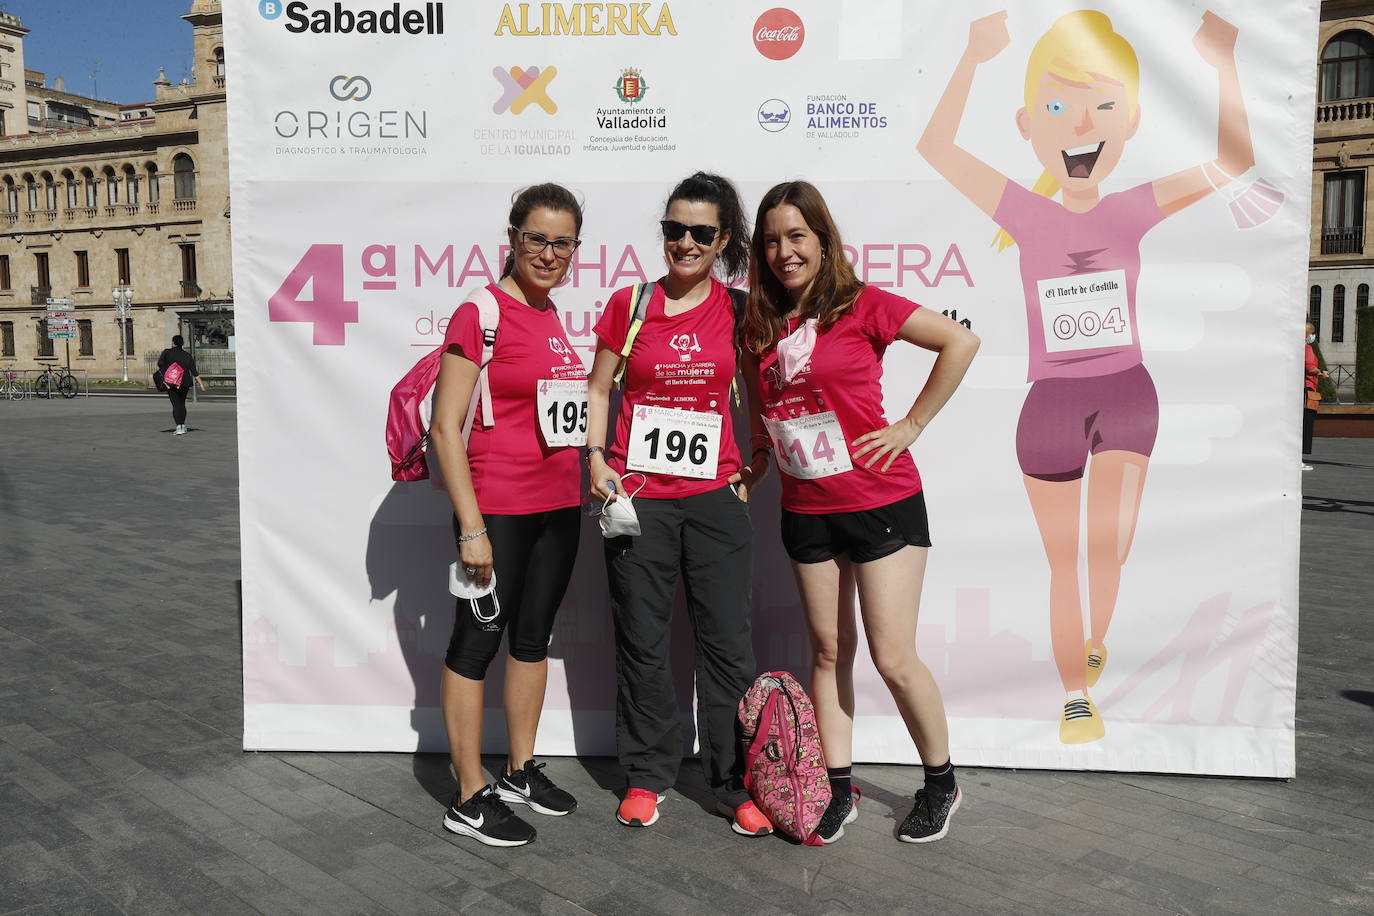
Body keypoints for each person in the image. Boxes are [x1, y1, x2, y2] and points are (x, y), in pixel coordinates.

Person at [918, 9, 1253, 743]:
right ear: (1028, 122)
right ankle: (1076, 692)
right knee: (1061, 559)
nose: (1079, 126)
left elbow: (1231, 162)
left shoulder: (1134, 208)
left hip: (1126, 395)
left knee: (1111, 546)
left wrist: (1221, 64)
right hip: (1050, 408)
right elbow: (935, 146)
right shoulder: (1025, 212)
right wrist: (973, 57)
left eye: (1102, 107)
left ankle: (1096, 634)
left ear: (1129, 121)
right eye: (1059, 108)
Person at [738, 180, 979, 844]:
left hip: (881, 502)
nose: (785, 251)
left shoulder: (863, 304)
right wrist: (758, 453)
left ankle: (941, 784)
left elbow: (961, 342)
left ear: (822, 239)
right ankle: (836, 789)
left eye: (797, 236)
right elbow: (763, 406)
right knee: (827, 650)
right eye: (772, 240)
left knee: (893, 656)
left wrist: (912, 424)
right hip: (805, 508)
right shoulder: (760, 321)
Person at [584, 172, 773, 836]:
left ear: (722, 238)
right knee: (643, 642)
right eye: (673, 229)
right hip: (640, 503)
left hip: (715, 500)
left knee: (727, 647)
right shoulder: (630, 304)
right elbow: (600, 387)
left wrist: (756, 463)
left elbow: (756, 391)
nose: (684, 243)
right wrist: (596, 456)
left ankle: (732, 782)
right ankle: (646, 774)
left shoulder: (743, 309)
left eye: (700, 232)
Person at [428, 183, 587, 847]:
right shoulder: (480, 312)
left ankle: (519, 768)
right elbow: (444, 428)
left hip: (560, 505)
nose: (548, 253)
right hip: (497, 508)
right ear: (513, 239)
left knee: (533, 639)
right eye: (537, 239)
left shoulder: (552, 316)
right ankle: (468, 796)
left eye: (562, 243)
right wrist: (471, 527)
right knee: (475, 645)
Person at [157, 335, 206, 435]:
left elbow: (160, 364)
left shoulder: (167, 353)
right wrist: (201, 384)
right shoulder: (187, 355)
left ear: (173, 343)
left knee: (176, 405)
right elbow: (194, 371)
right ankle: (183, 426)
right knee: (182, 404)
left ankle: (179, 427)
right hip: (185, 383)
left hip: (172, 382)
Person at [1303, 322, 1327, 471]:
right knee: (1306, 423)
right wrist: (1321, 372)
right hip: (1308, 388)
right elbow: (1310, 368)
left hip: (1300, 388)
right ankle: (1299, 458)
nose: (1313, 336)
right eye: (1312, 333)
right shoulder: (1307, 348)